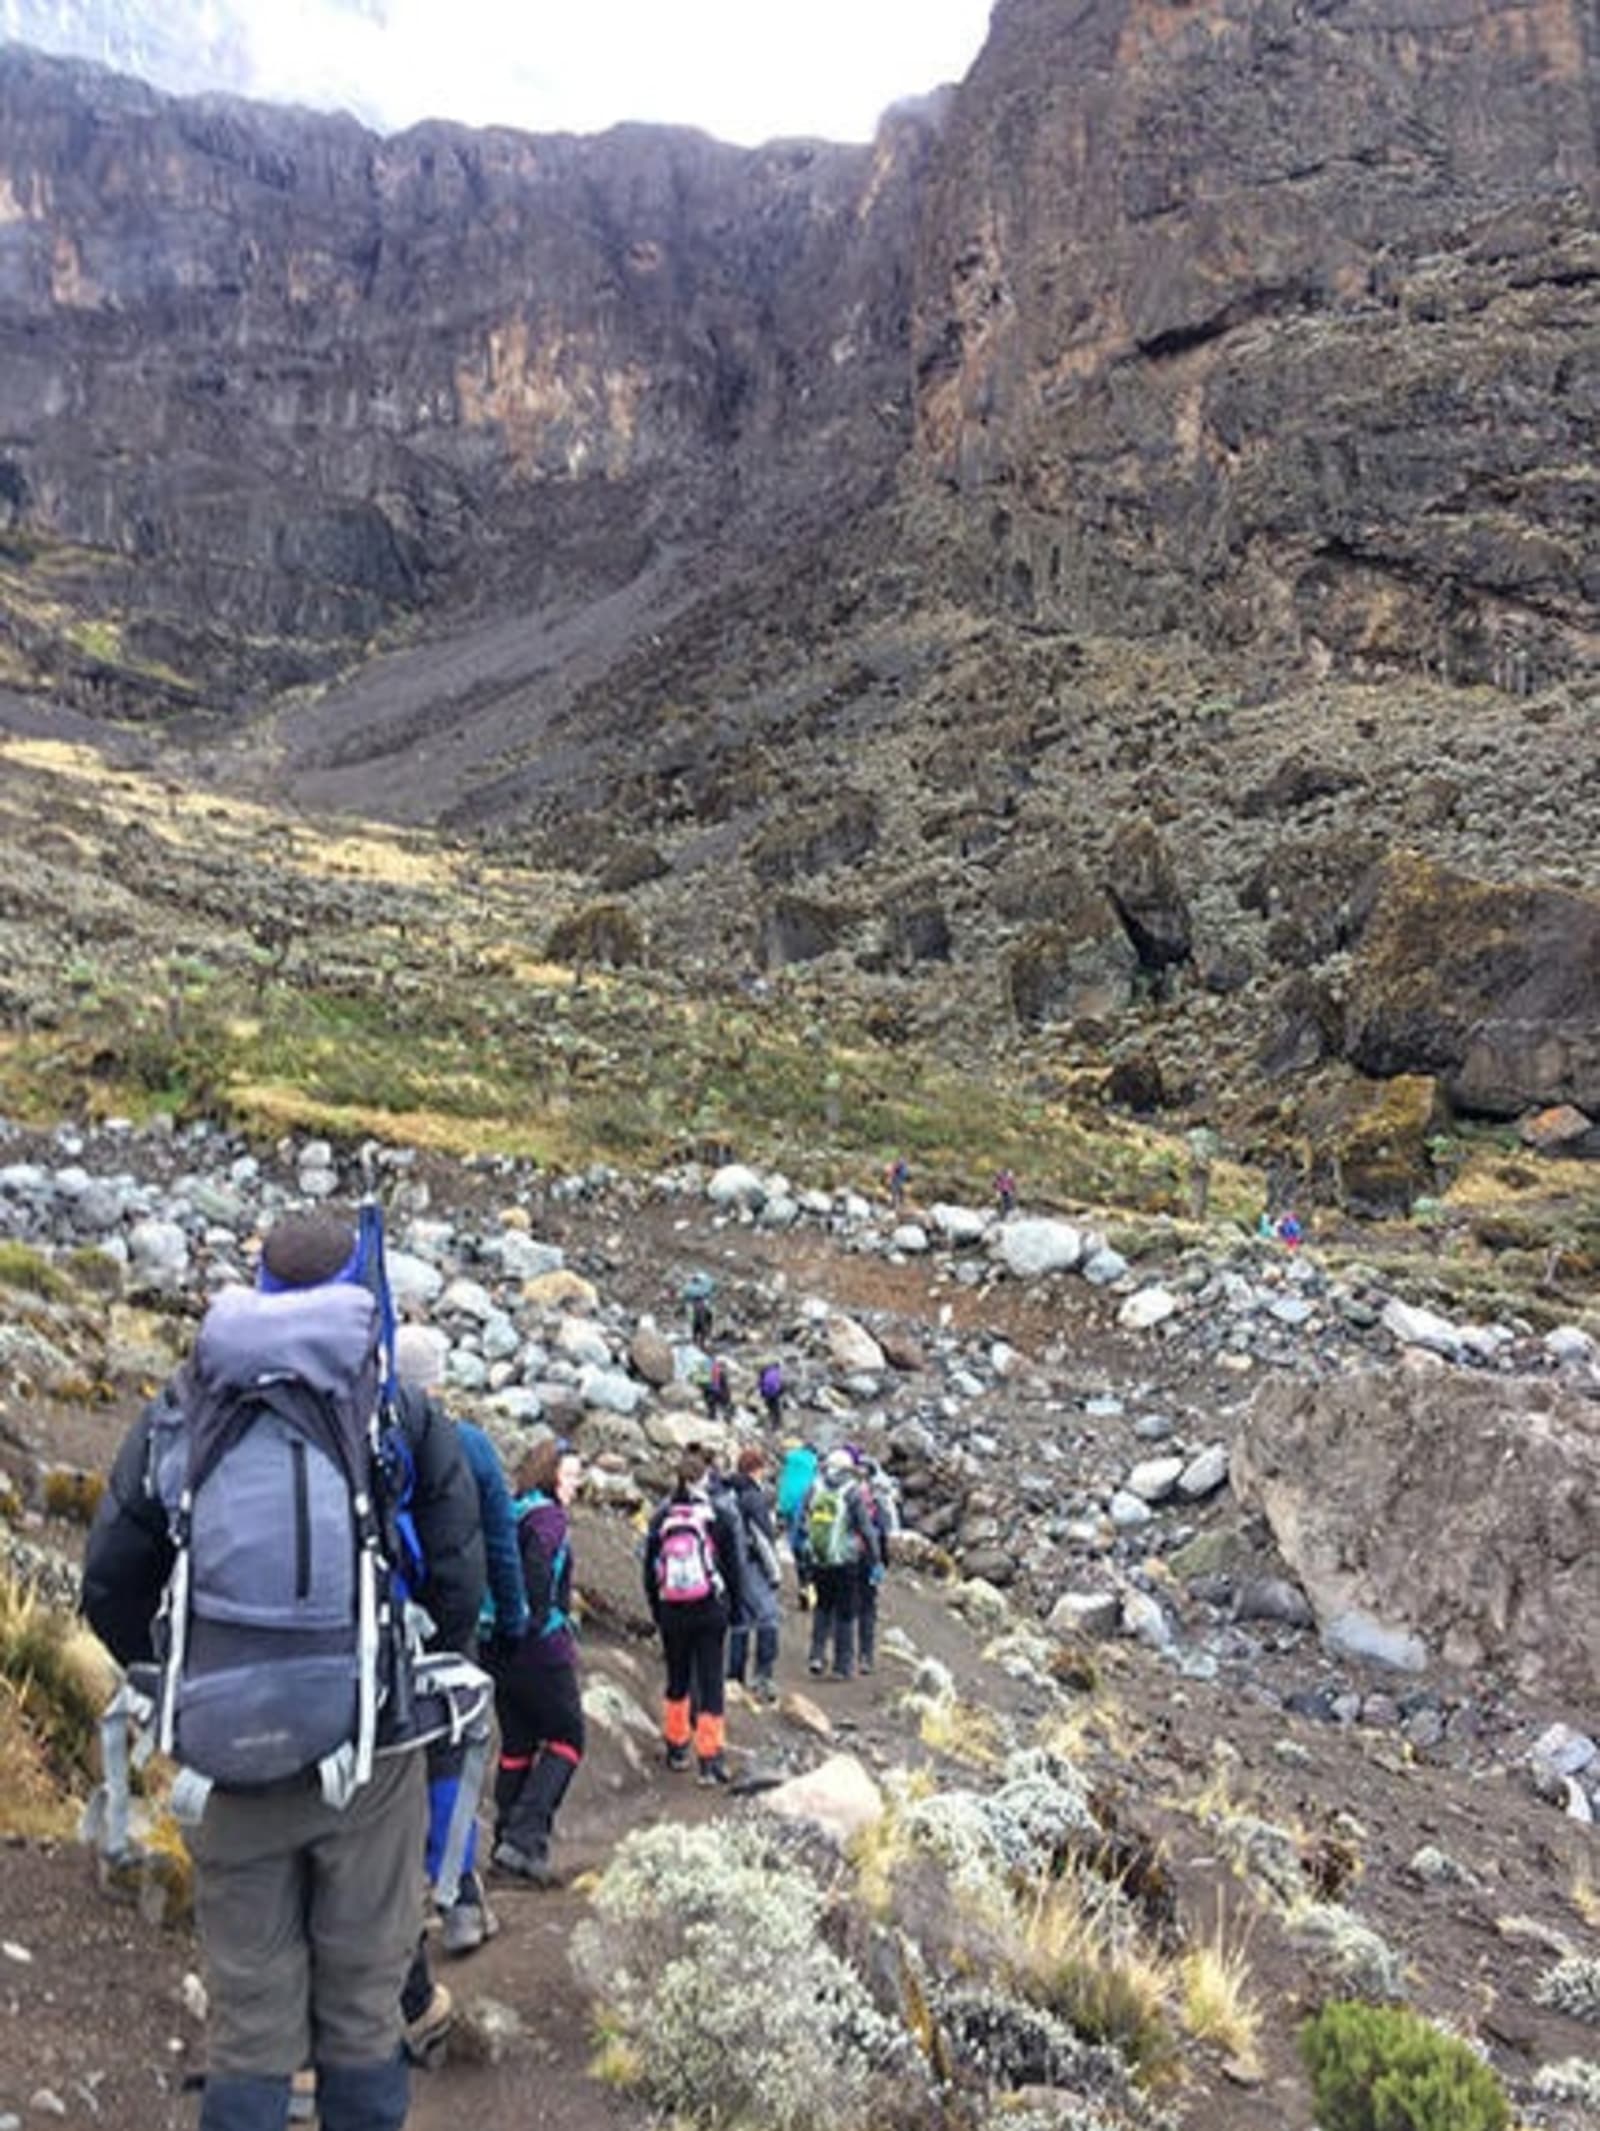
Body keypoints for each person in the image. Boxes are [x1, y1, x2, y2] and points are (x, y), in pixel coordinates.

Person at [81, 1211, 486, 2131]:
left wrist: (183, 1677)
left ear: (254, 1282)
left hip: (227, 1756)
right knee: (362, 2008)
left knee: (250, 2021)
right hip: (369, 1759)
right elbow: (459, 1587)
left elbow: (108, 1582)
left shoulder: (186, 1405)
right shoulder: (401, 1413)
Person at [392, 1324, 527, 1960]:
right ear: (438, 1379)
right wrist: (515, 1616)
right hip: (449, 1625)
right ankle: (459, 1898)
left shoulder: (358, 1437)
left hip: (377, 1621)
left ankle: (388, 1901)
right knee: (451, 1751)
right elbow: (500, 1540)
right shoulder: (468, 1445)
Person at [491, 1436, 585, 1886]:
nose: (576, 1486)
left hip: (498, 1646)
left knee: (517, 1747)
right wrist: (543, 1618)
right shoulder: (548, 1518)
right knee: (568, 1739)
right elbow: (538, 1568)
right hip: (540, 1649)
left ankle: (503, 1840)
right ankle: (526, 1838)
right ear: (551, 1476)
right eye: (571, 1476)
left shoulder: (512, 1511)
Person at [643, 1447, 745, 1784]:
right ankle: (710, 1760)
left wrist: (658, 1610)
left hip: (673, 1611)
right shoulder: (719, 1516)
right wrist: (735, 1608)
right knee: (711, 1681)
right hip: (710, 1610)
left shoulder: (661, 1519)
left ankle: (676, 1747)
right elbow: (734, 1567)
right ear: (706, 1478)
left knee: (678, 1679)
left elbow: (649, 1569)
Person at [799, 1447, 880, 1681]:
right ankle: (842, 1666)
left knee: (822, 1607)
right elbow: (866, 1529)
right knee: (845, 1613)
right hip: (845, 1561)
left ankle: (816, 1655)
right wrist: (875, 1559)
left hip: (819, 1558)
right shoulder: (852, 1492)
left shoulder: (814, 1487)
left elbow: (803, 1518)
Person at [721, 1445, 782, 1703]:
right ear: (758, 1469)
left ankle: (734, 1676)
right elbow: (762, 1539)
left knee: (740, 1619)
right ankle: (763, 1678)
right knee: (768, 1617)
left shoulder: (727, 1492)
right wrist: (775, 1572)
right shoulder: (753, 1498)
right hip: (751, 1564)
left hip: (729, 1565)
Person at [850, 1451, 899, 1677]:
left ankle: (846, 1656)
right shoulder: (877, 1503)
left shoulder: (846, 1498)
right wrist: (882, 1564)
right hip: (870, 1560)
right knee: (868, 1609)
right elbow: (885, 1535)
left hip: (847, 1557)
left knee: (847, 1607)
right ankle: (865, 1656)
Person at [775, 1439, 819, 1609]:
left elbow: (782, 1480)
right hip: (804, 1508)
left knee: (798, 1551)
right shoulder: (813, 1463)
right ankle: (810, 1590)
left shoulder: (791, 1458)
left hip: (787, 1506)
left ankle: (803, 1588)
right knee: (810, 1554)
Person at [699, 1355, 733, 1423]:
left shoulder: (712, 1372)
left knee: (713, 1409)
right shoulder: (719, 1373)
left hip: (714, 1395)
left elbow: (706, 1386)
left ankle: (713, 1418)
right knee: (723, 1409)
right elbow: (724, 1386)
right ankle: (725, 1419)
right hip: (720, 1395)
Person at [757, 1358, 785, 1431]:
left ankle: (766, 1422)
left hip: (766, 1393)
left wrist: (761, 1392)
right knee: (776, 1409)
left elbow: (760, 1383)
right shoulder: (776, 1372)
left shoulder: (765, 1371)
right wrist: (781, 1391)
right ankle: (776, 1425)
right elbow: (779, 1384)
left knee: (768, 1408)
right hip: (774, 1394)